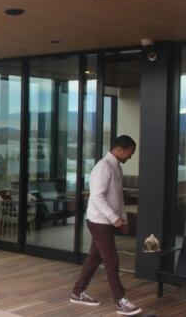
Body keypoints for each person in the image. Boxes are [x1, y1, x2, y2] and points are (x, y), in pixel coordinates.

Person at [69, 135, 141, 316]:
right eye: (129, 153)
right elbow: (96, 197)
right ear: (119, 149)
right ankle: (120, 300)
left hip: (107, 221)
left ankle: (77, 292)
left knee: (95, 258)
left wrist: (122, 218)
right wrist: (113, 218)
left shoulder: (116, 167)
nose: (130, 157)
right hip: (99, 222)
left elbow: (118, 197)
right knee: (111, 259)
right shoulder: (103, 167)